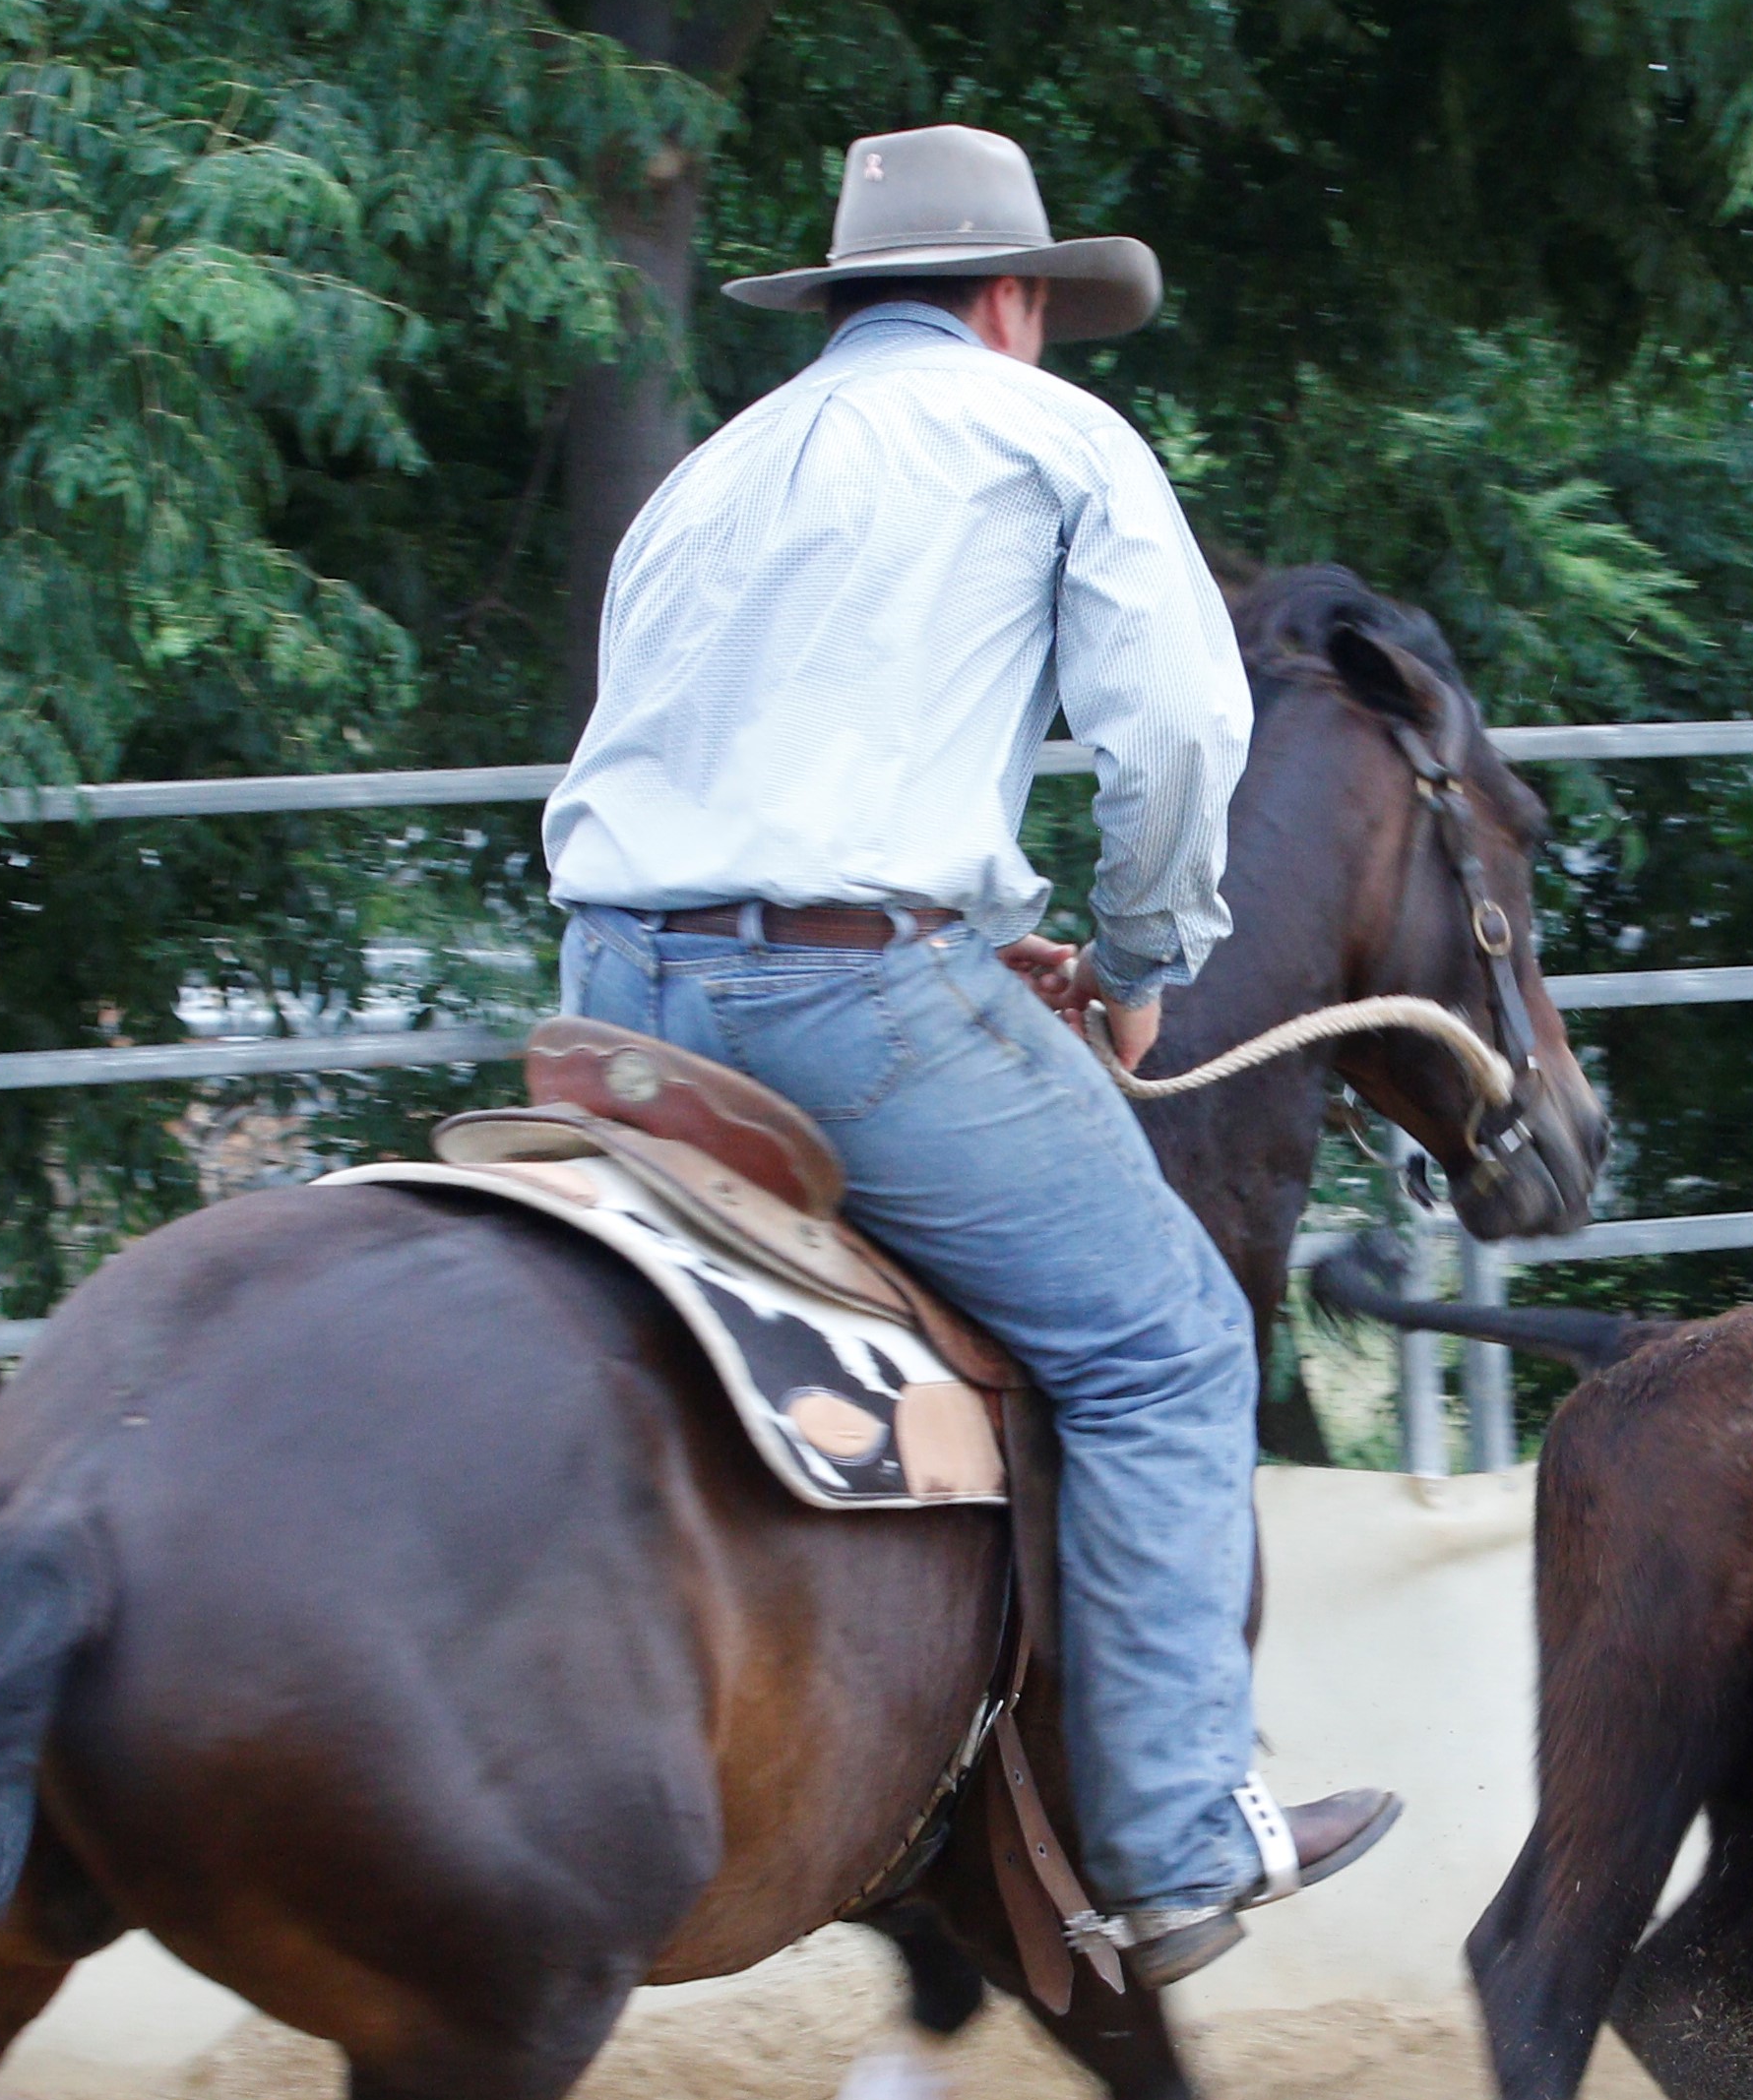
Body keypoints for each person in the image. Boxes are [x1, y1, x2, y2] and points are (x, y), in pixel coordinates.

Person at [542, 123, 1396, 1984]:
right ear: (1015, 299)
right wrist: (1145, 957)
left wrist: (939, 906)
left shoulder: (711, 469)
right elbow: (1179, 731)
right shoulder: (1050, 435)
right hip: (840, 1006)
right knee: (1171, 1341)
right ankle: (1173, 1839)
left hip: (609, 999)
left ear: (847, 302)